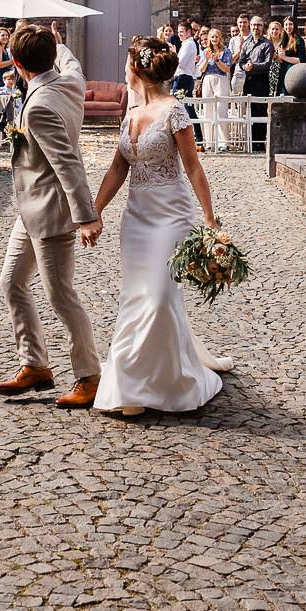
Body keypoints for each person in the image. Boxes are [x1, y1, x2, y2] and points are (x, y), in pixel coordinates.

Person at [89, 36, 236, 417]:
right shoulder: (131, 113)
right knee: (136, 296)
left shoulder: (175, 111)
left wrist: (208, 218)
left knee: (157, 296)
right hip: (136, 217)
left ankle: (164, 382)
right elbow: (119, 167)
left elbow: (192, 167)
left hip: (171, 215)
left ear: (137, 68)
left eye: (126, 63)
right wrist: (96, 210)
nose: (122, 70)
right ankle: (132, 384)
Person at [0, 23, 104, 409]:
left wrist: (86, 216)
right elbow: (72, 62)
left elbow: (68, 163)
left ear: (18, 64)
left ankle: (89, 376)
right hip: (29, 211)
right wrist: (55, 38)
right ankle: (35, 364)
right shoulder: (70, 80)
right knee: (11, 281)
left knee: (61, 296)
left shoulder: (39, 105)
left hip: (53, 212)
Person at [196, 28, 236, 153]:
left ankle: (224, 142)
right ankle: (210, 141)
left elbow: (227, 69)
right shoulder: (205, 51)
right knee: (207, 110)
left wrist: (217, 60)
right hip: (208, 79)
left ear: (220, 38)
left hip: (221, 80)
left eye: (216, 37)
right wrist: (207, 59)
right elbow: (201, 70)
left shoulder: (226, 52)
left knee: (221, 110)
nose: (214, 39)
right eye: (212, 37)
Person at [240, 17, 277, 150]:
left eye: (259, 25)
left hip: (261, 82)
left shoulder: (267, 44)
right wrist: (245, 66)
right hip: (249, 81)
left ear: (263, 27)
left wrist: (253, 66)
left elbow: (267, 64)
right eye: (254, 25)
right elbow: (241, 61)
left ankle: (259, 143)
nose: (256, 28)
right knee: (249, 112)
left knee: (260, 112)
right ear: (250, 26)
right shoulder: (246, 43)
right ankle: (250, 142)